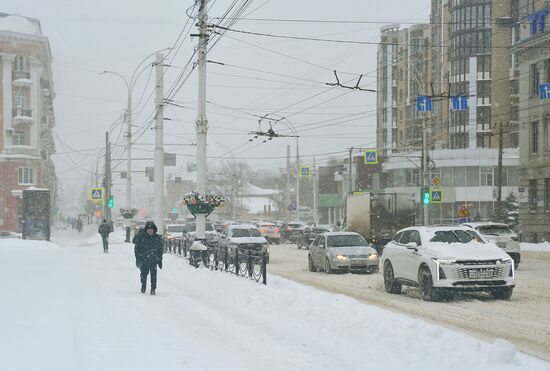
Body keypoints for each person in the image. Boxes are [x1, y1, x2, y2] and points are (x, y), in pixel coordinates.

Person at [133, 221, 164, 295]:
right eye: (148, 230)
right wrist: (138, 259)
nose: (150, 231)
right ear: (146, 230)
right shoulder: (142, 237)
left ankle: (153, 289)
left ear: (154, 230)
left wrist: (160, 260)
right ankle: (143, 285)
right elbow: (136, 247)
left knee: (154, 275)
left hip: (154, 260)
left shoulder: (157, 238)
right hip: (144, 260)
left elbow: (161, 250)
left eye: (151, 229)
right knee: (144, 274)